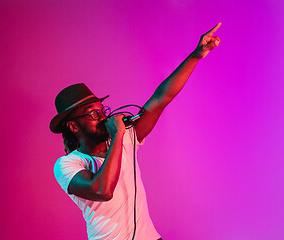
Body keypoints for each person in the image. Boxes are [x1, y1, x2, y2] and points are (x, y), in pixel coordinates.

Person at [50, 23, 221, 240]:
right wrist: (118, 136)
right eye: (93, 114)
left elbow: (161, 98)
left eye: (102, 111)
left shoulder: (125, 136)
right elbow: (102, 190)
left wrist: (196, 55)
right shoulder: (67, 165)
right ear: (74, 126)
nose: (102, 116)